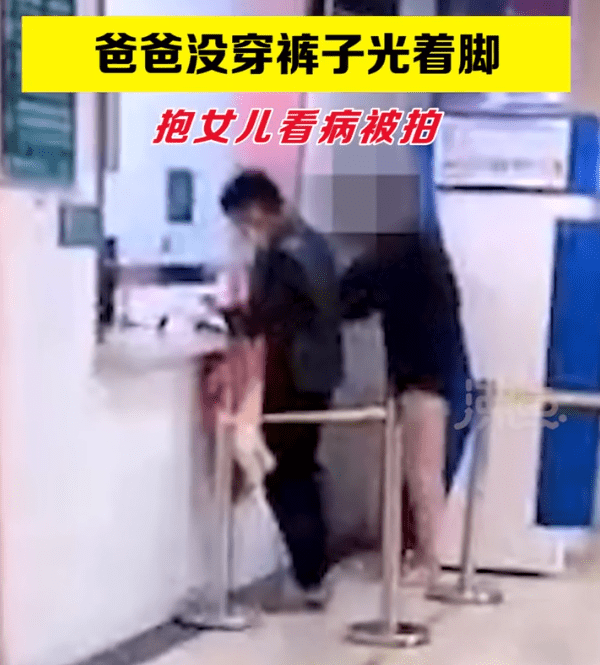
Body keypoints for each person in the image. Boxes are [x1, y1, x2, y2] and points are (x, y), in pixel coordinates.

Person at [219, 170, 343, 610]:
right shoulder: (314, 243)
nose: (241, 231)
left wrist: (228, 316)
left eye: (240, 221)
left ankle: (310, 575)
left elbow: (267, 317)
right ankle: (315, 572)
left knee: (285, 476)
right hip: (318, 376)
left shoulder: (285, 255)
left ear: (255, 210)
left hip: (293, 376)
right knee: (301, 470)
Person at [340, 231, 471, 589]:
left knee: (421, 474)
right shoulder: (431, 265)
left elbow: (348, 302)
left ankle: (430, 560)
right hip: (435, 378)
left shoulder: (394, 263)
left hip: (417, 382)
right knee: (423, 473)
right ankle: (424, 556)